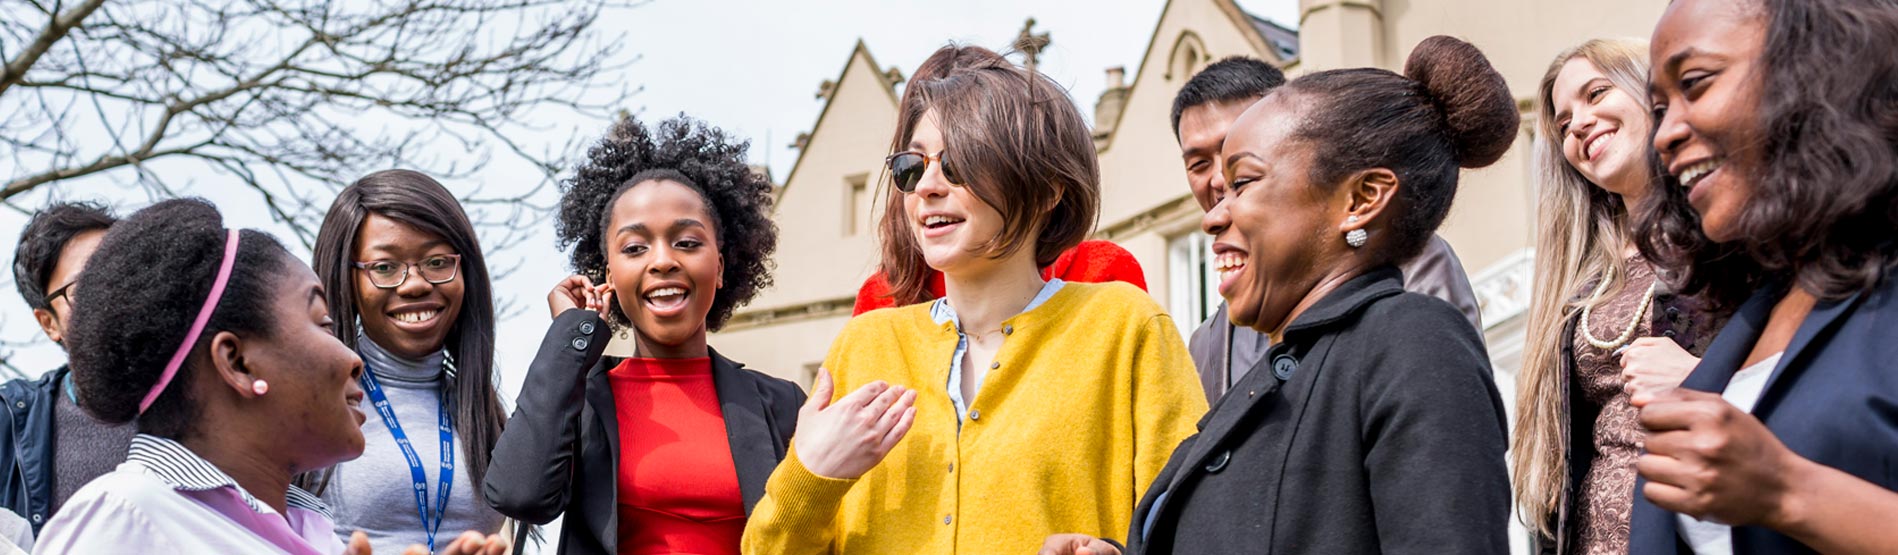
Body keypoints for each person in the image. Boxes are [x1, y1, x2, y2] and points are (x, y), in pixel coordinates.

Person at [1047, 35, 1515, 555]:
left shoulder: (1413, 341)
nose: (1213, 213)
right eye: (1206, 172)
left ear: (1361, 199)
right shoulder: (1265, 368)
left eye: (1244, 180)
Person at [741, 44, 1206, 554]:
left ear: (1049, 186)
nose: (927, 188)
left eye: (960, 162)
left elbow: (1196, 528)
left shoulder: (1126, 326)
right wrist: (810, 476)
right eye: (911, 167)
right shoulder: (864, 344)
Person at [32, 198, 506, 555]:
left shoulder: (313, 531)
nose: (353, 357)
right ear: (237, 363)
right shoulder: (123, 519)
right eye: (322, 322)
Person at [1627, 0, 1898, 553]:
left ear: (1816, 67)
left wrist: (1789, 493)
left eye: (1695, 83)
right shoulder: (1755, 314)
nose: (1663, 134)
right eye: (1659, 108)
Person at [485, 115, 805, 555]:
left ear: (722, 266)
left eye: (688, 243)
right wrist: (569, 336)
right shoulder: (583, 399)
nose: (662, 261)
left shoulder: (784, 404)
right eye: (634, 248)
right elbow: (518, 495)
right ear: (609, 274)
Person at [1512, 38, 1727, 555]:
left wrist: (1700, 380)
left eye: (1597, 93)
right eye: (1563, 125)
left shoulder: (1730, 238)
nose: (1579, 124)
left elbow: (1813, 379)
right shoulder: (1582, 280)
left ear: (1651, 92)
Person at [1169, 56, 1484, 402]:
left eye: (1241, 172)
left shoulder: (1409, 270)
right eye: (1199, 164)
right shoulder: (1208, 345)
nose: (1217, 179)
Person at [302, 170, 510, 554]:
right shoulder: (305, 403)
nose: (414, 284)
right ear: (347, 281)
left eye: (436, 262)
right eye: (384, 267)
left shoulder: (483, 412)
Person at [0, 202, 130, 535]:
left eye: (124, 271)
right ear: (49, 323)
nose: (113, 293)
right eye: (84, 286)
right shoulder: (11, 422)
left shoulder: (218, 395)